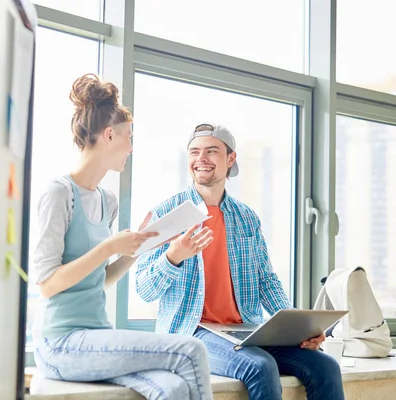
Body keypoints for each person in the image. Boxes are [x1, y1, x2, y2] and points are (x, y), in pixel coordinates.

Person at [31, 74, 214, 400]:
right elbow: (47, 284)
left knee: (173, 387)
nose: (131, 147)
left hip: (96, 336)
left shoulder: (106, 200)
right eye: (128, 137)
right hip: (61, 343)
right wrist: (108, 247)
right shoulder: (59, 193)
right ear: (109, 134)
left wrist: (139, 248)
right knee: (190, 351)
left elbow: (96, 281)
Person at [135, 123, 345, 400]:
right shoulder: (165, 213)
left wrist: (301, 328)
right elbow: (144, 289)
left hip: (245, 328)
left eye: (212, 151)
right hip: (191, 331)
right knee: (259, 366)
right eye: (195, 152)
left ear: (230, 159)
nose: (201, 159)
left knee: (326, 366)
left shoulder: (246, 218)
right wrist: (173, 257)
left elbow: (266, 281)